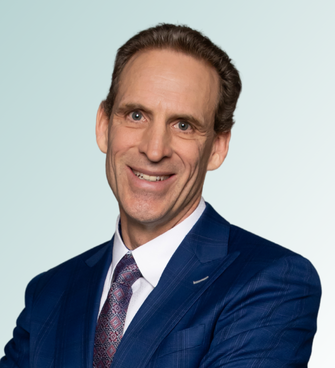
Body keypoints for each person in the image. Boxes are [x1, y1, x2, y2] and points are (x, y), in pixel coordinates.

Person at [1, 24, 321, 368]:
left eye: (183, 125)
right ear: (104, 126)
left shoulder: (273, 281)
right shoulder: (49, 293)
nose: (154, 150)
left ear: (217, 147)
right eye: (136, 115)